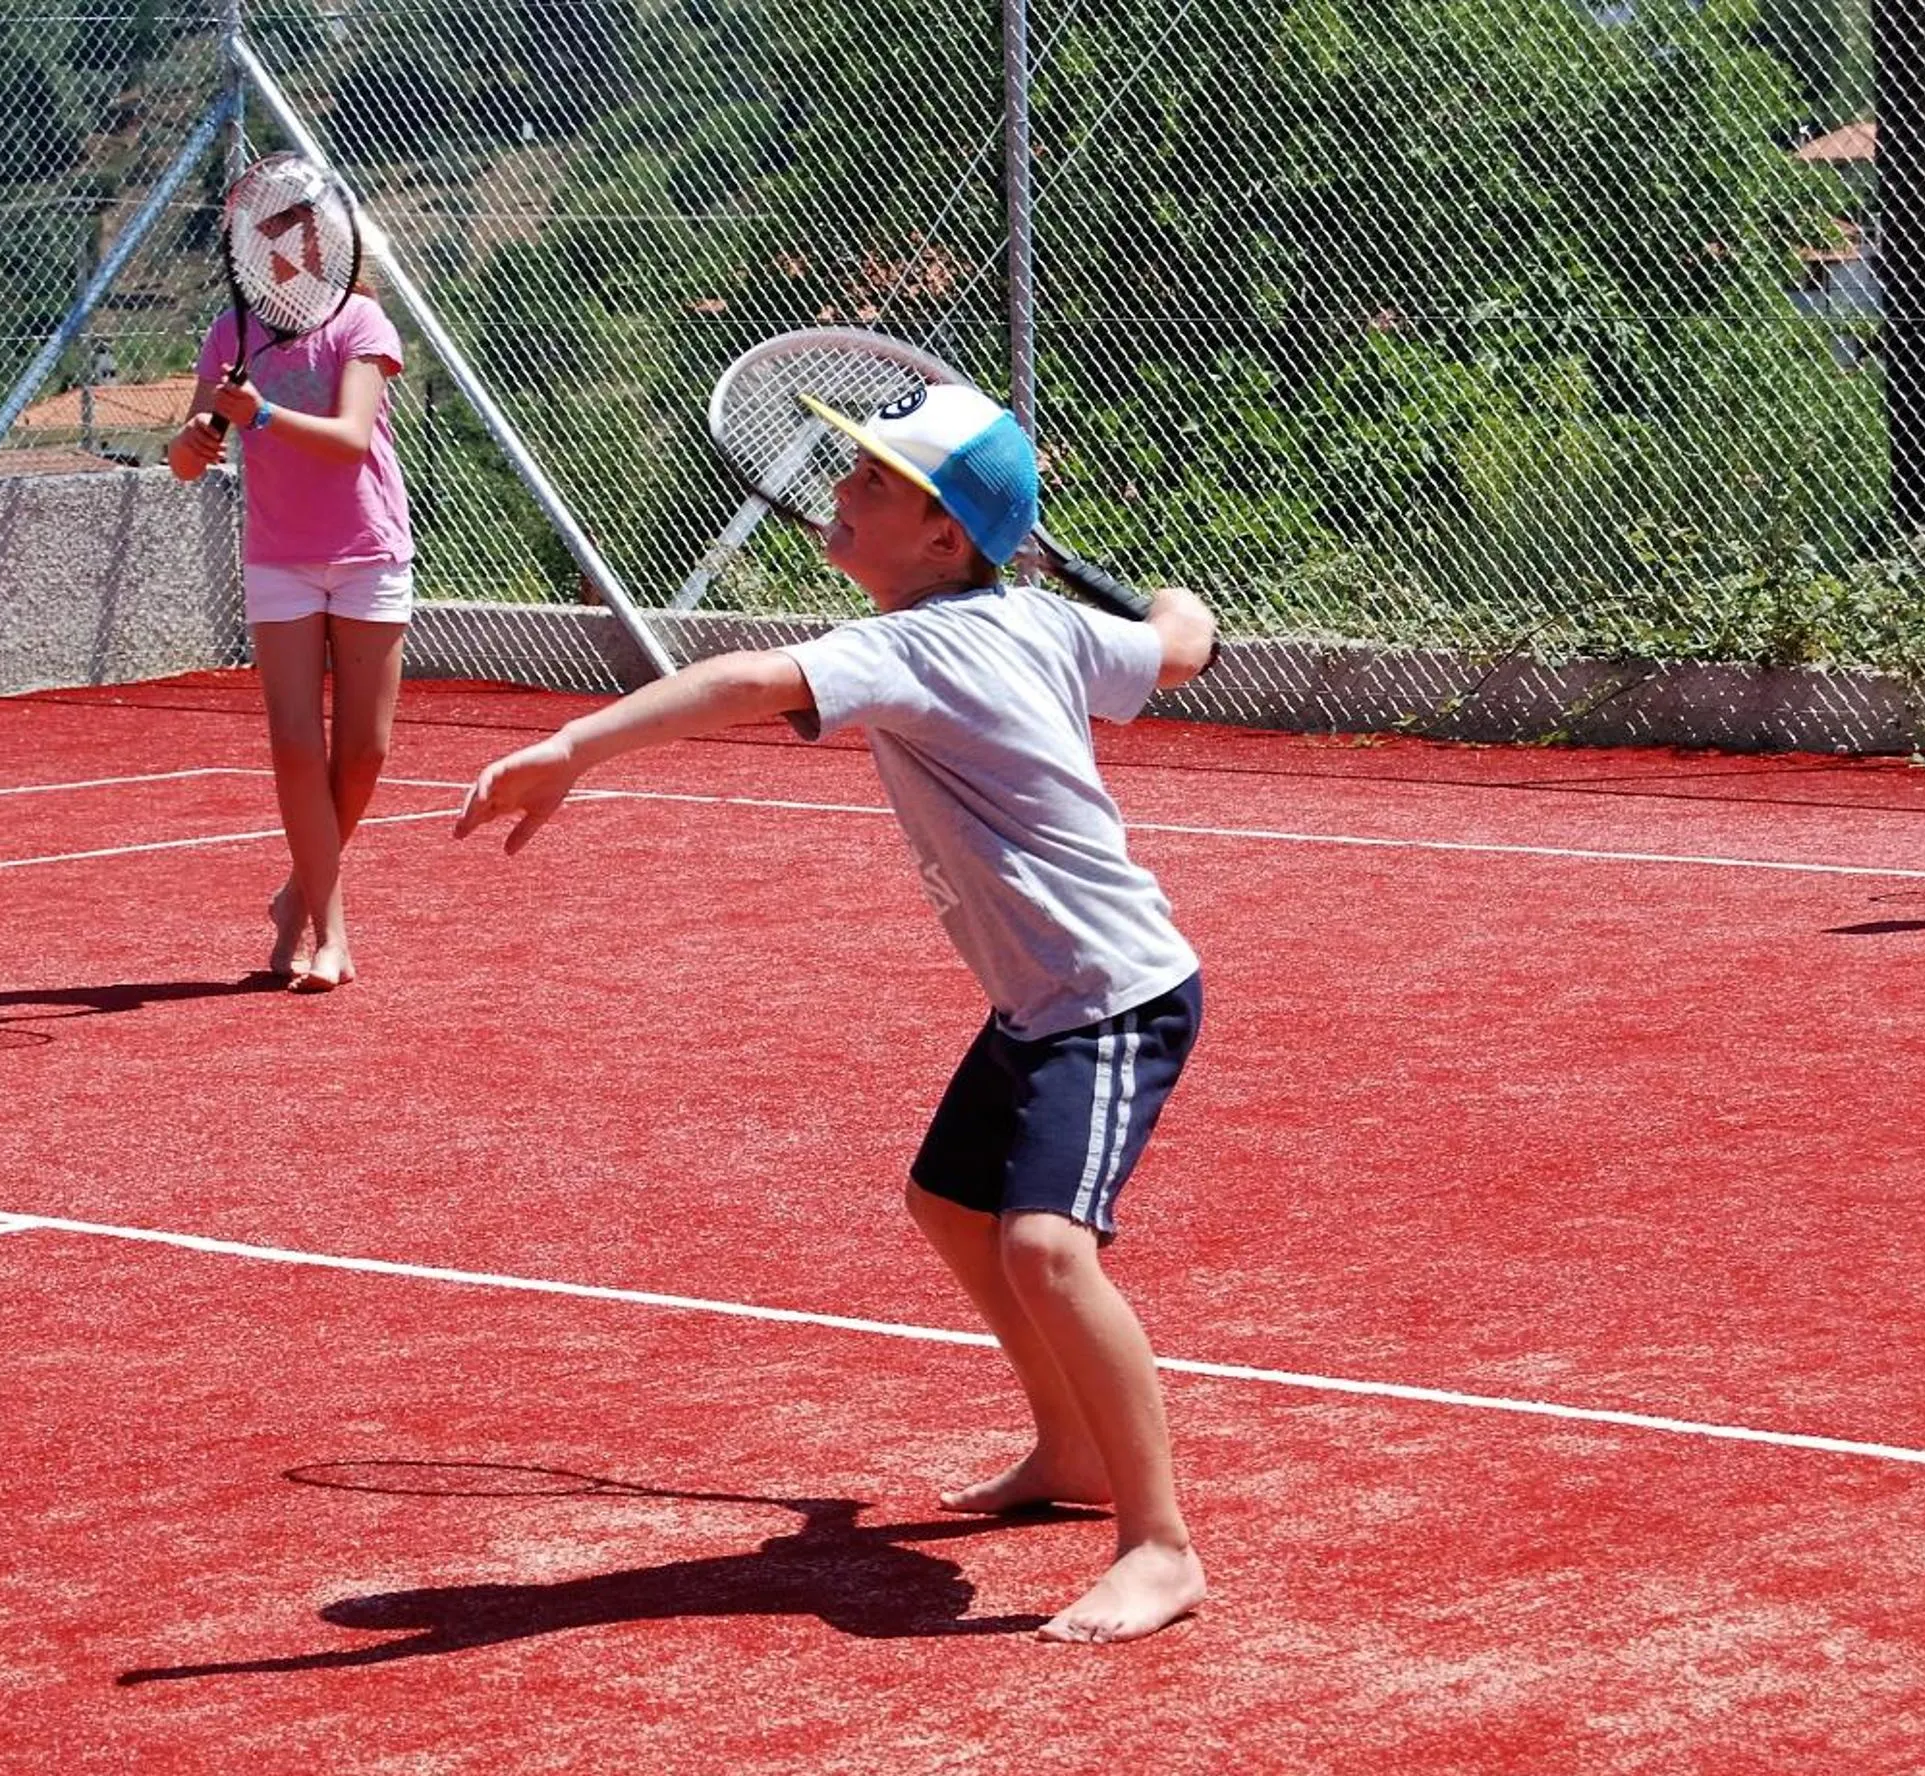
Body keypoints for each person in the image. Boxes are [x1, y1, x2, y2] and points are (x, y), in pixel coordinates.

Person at [454, 383, 1218, 1644]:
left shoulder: (913, 648)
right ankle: (1072, 1449)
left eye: (873, 482)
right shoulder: (1040, 621)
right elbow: (1174, 649)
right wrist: (1182, 607)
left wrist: (576, 746)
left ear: (944, 536)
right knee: (948, 1205)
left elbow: (749, 677)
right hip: (1045, 997)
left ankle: (1160, 1545)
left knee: (1044, 1247)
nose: (839, 492)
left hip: (1107, 998)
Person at [166, 256, 414, 991]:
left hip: (368, 551)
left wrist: (262, 414)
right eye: (263, 229)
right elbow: (186, 460)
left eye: (294, 228)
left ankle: (296, 896)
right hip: (279, 559)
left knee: (363, 753)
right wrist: (192, 442)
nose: (278, 246)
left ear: (324, 243)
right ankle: (332, 936)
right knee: (297, 745)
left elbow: (351, 437)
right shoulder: (230, 333)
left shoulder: (360, 321)